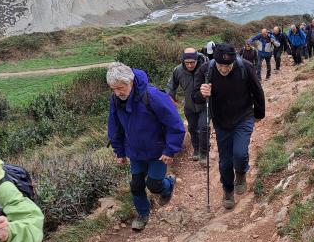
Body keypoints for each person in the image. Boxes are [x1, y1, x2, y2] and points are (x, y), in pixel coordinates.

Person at [107, 62, 185, 231]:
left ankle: (168, 185)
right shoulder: (116, 100)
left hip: (158, 151)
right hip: (135, 152)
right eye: (114, 88)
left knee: (154, 185)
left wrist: (170, 149)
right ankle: (143, 214)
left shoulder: (153, 96)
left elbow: (175, 124)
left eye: (121, 87)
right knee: (136, 185)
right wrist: (119, 151)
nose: (118, 92)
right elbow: (115, 127)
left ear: (131, 82)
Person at [193, 43, 265, 210]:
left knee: (239, 154)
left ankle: (240, 173)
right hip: (221, 121)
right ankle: (228, 190)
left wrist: (259, 114)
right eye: (221, 66)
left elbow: (257, 91)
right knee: (225, 161)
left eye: (228, 65)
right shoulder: (206, 70)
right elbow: (195, 97)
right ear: (215, 61)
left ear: (234, 61)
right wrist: (201, 94)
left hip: (243, 117)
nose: (224, 69)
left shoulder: (244, 67)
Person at [166, 48, 210, 161]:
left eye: (192, 62)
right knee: (192, 127)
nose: (190, 65)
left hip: (204, 104)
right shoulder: (178, 70)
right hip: (189, 105)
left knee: (204, 127)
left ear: (196, 60)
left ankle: (204, 153)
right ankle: (196, 149)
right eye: (187, 63)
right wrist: (170, 96)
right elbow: (171, 85)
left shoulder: (206, 68)